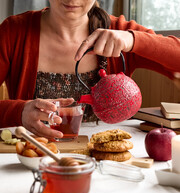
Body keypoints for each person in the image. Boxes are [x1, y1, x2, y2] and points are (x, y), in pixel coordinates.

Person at [0, 0, 179, 139]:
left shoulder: (118, 31)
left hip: (109, 164)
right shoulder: (13, 32)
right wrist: (19, 111)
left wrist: (133, 40)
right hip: (35, 160)